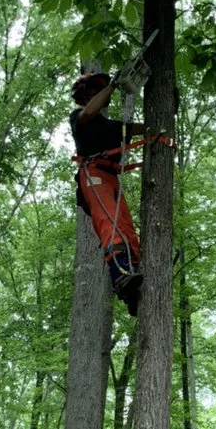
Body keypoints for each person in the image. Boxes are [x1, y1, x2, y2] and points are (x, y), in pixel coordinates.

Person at [70, 69, 144, 315]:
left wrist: (165, 122)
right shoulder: (79, 117)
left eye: (100, 88)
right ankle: (121, 273)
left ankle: (132, 287)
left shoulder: (111, 127)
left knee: (126, 228)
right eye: (94, 89)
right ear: (84, 95)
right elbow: (89, 112)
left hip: (111, 178)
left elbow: (138, 129)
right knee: (110, 224)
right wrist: (111, 86)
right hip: (93, 174)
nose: (99, 93)